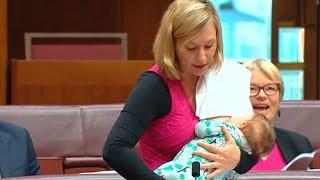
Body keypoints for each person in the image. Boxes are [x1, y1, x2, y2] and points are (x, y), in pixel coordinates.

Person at [103, 0, 257, 179]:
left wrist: (237, 159)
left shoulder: (226, 76)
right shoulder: (154, 85)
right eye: (191, 48)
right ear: (172, 45)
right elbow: (115, 148)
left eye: (209, 46)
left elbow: (254, 144)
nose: (202, 57)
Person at [243, 59, 313, 171]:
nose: (261, 95)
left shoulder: (299, 144)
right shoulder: (221, 143)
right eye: (252, 88)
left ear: (280, 99)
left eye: (270, 88)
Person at [155, 114, 276, 180]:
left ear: (243, 123)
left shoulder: (228, 129)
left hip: (185, 169)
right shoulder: (242, 158)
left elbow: (200, 128)